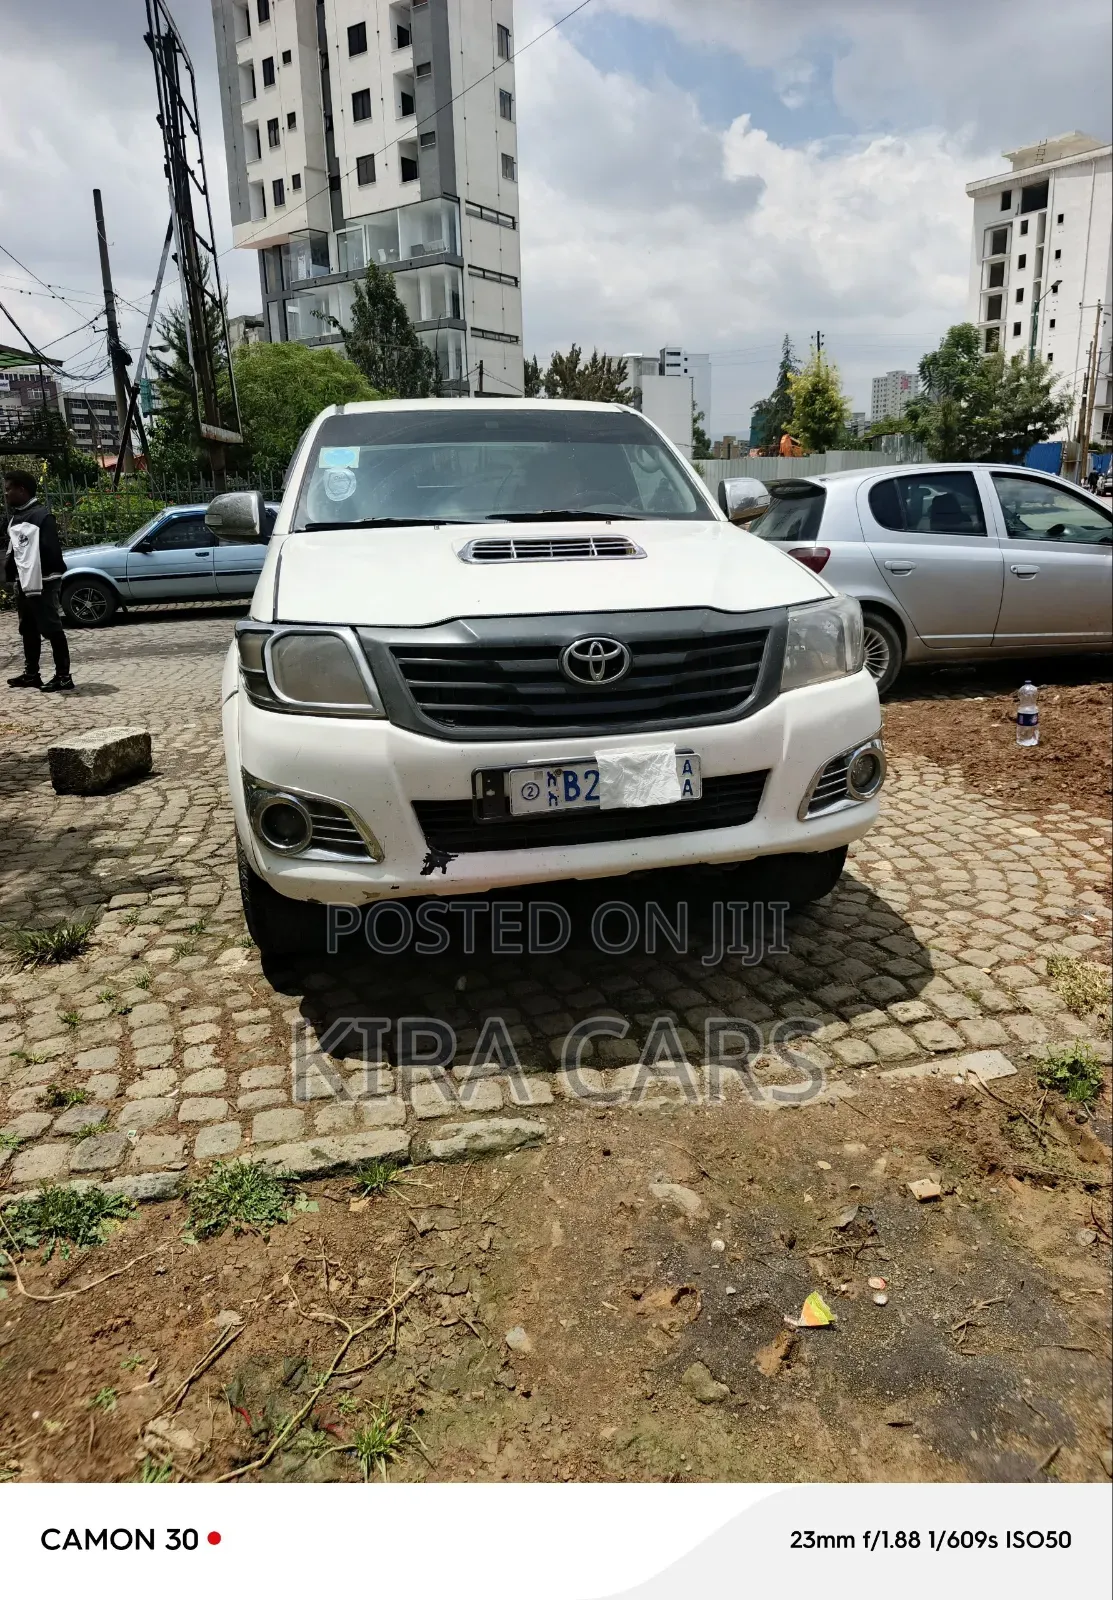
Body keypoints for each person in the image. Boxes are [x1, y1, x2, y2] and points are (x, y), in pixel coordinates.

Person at [3, 468, 74, 691]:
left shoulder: (42, 516)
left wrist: (41, 580)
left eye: (8, 489)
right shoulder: (16, 517)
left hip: (43, 582)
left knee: (51, 628)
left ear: (22, 490)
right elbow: (15, 551)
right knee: (28, 629)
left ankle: (63, 676)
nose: (5, 493)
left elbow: (50, 552)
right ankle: (31, 674)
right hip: (23, 583)